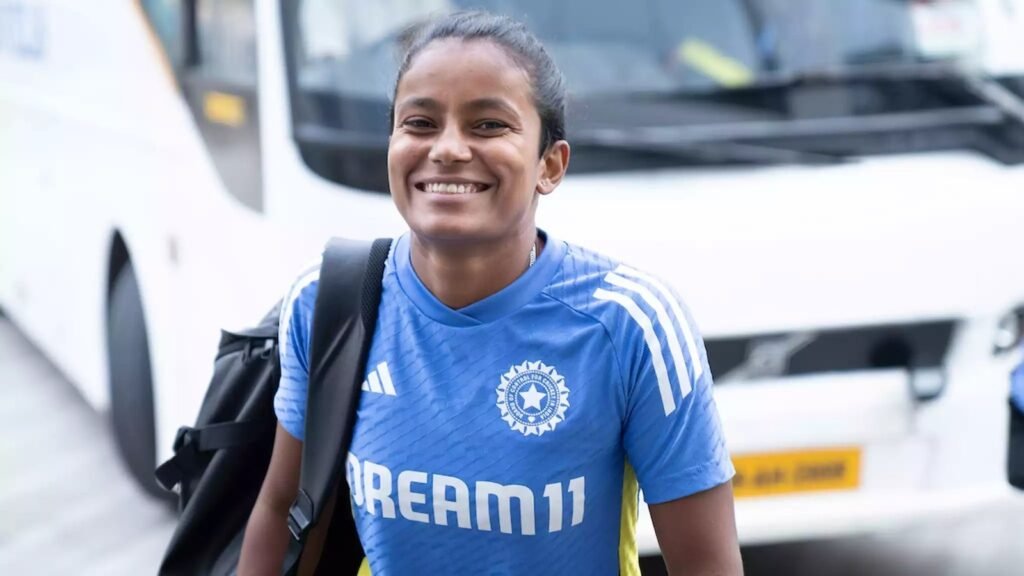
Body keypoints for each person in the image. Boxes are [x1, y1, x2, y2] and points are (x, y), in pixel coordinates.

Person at [238, 11, 742, 576]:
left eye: (488, 125)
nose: (448, 148)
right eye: (420, 123)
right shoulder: (328, 303)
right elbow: (281, 509)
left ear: (550, 165)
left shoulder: (632, 325)